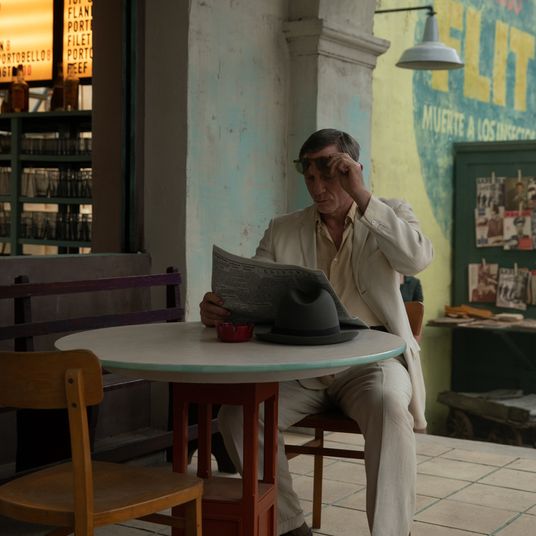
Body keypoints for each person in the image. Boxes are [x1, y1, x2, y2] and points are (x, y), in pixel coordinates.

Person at [200, 129, 433, 536]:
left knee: (389, 409)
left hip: (372, 362)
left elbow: (416, 259)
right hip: (300, 364)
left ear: (353, 171)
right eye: (310, 177)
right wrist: (220, 310)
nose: (318, 188)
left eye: (329, 175)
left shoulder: (389, 213)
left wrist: (361, 196)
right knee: (236, 416)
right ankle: (289, 527)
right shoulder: (283, 229)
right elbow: (255, 294)